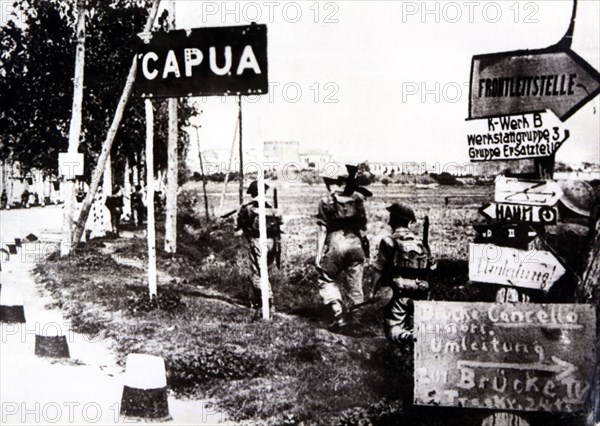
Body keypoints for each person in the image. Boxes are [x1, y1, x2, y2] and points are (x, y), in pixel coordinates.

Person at [315, 165, 372, 331]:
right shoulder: (357, 198)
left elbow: (322, 229)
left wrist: (318, 255)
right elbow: (363, 226)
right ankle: (357, 320)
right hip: (356, 243)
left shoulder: (326, 201)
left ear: (327, 181)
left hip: (336, 242)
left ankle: (339, 316)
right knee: (355, 285)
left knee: (326, 278)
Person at [371, 203, 436, 347]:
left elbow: (378, 268)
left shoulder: (389, 241)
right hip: (420, 292)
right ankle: (410, 351)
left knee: (392, 329)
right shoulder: (421, 243)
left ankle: (407, 339)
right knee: (414, 326)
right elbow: (432, 267)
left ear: (393, 220)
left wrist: (372, 291)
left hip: (398, 292)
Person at [236, 180, 283, 317]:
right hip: (272, 243)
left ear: (253, 193)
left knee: (257, 273)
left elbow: (239, 225)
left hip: (257, 241)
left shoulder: (248, 208)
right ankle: (258, 302)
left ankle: (267, 300)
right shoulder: (272, 208)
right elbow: (280, 226)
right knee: (264, 270)